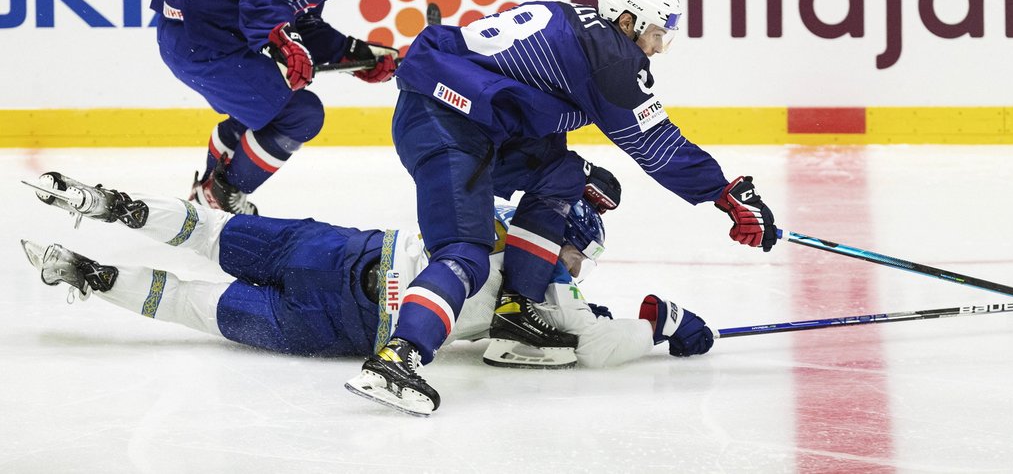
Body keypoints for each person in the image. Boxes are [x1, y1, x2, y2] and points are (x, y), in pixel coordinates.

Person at [345, 0, 777, 415]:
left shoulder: (576, 24)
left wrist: (581, 170)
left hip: (472, 119)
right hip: (449, 124)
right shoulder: (611, 55)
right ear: (626, 22)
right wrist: (725, 193)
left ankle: (517, 307)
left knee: (563, 173)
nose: (654, 48)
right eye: (652, 35)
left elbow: (512, 90)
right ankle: (398, 358)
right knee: (465, 252)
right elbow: (655, 144)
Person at [20, 171, 714, 415]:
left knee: (212, 231)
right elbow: (592, 347)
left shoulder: (495, 211)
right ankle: (90, 273)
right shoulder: (550, 292)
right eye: (578, 254)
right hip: (340, 326)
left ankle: (110, 204)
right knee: (194, 305)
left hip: (347, 248)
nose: (576, 267)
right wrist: (664, 325)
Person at [149, 0, 399, 216]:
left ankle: (208, 197)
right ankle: (223, 196)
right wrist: (282, 41)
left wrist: (355, 54)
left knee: (266, 108)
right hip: (203, 40)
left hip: (191, 32)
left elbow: (304, 24)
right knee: (301, 114)